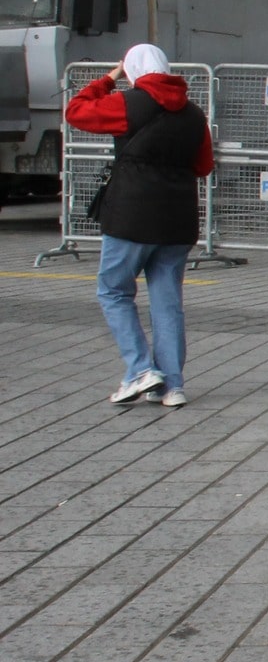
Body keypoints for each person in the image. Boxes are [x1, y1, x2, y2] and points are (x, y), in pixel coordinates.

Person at [63, 43, 214, 408]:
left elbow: (76, 111)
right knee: (167, 302)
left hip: (131, 217)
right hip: (177, 221)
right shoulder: (194, 114)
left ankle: (140, 370)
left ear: (133, 70)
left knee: (113, 291)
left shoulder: (128, 103)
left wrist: (108, 78)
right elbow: (204, 165)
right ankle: (172, 386)